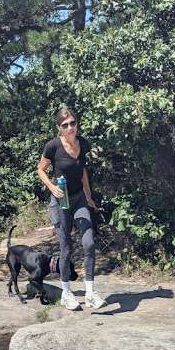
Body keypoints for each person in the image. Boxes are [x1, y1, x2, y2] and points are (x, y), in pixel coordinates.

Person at [35, 106, 106, 310]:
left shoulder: (82, 143)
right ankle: (66, 292)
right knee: (66, 247)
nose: (70, 127)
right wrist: (52, 187)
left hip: (79, 199)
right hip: (61, 202)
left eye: (73, 123)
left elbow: (82, 170)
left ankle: (91, 293)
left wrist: (89, 196)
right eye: (65, 125)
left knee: (89, 242)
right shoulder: (53, 146)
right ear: (59, 128)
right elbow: (40, 169)